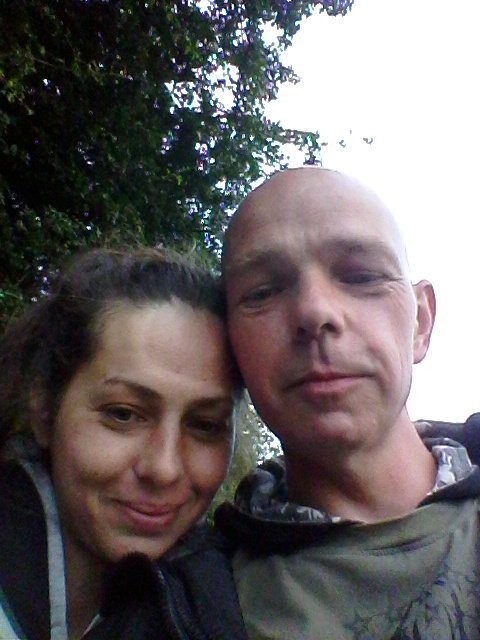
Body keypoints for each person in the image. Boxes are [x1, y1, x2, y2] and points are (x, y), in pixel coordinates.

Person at [215, 167, 480, 639]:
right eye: (263, 291)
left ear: (420, 323)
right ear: (230, 348)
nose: (314, 311)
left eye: (360, 276)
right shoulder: (182, 604)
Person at [0, 248, 247, 640]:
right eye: (123, 414)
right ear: (44, 409)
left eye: (204, 425)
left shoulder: (226, 600)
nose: (164, 468)